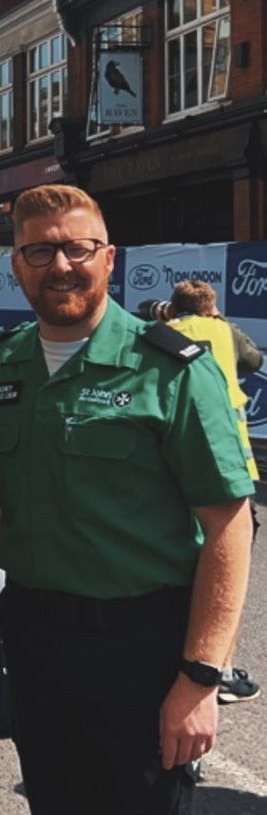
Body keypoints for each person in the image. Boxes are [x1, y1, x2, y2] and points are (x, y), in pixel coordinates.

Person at [0, 184, 255, 815]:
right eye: (39, 249)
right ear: (15, 264)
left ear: (109, 258)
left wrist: (199, 676)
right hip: (38, 641)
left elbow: (228, 522)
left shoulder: (169, 368)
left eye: (76, 247)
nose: (60, 264)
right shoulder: (1, 365)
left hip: (144, 648)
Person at [166, 278, 261, 704]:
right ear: (211, 307)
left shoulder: (161, 332)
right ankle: (219, 668)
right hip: (228, 464)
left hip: (172, 467)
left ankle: (180, 656)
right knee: (228, 569)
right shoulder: (222, 331)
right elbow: (253, 360)